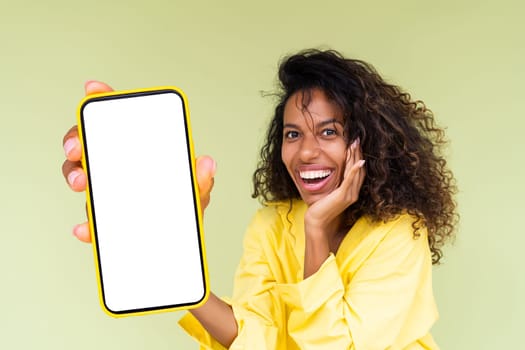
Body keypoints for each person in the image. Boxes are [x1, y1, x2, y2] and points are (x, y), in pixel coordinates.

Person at [62, 49, 457, 349]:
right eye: (293, 134)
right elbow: (256, 337)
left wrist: (317, 230)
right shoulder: (273, 224)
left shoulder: (399, 232)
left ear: (364, 142)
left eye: (328, 132)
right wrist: (171, 262)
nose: (305, 153)